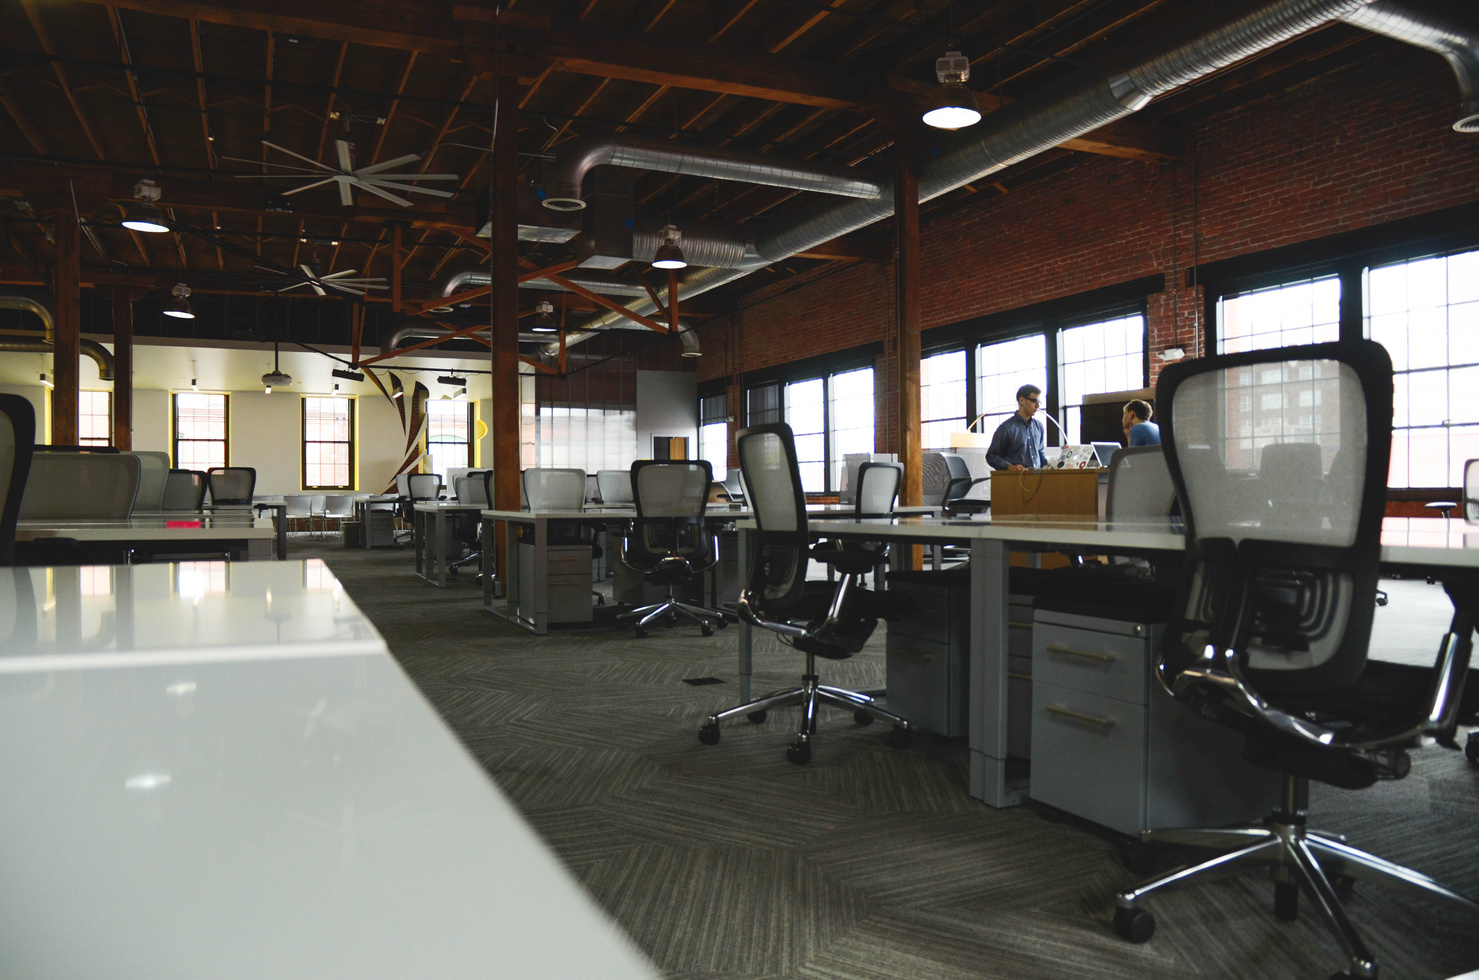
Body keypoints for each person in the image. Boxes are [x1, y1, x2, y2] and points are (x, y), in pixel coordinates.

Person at [986, 384, 1046, 471]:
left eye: (1039, 402)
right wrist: (1009, 466)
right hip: (1015, 479)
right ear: (1022, 400)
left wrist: (1051, 465)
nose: (1037, 406)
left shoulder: (1038, 426)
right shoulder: (1006, 428)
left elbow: (1039, 452)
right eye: (1034, 401)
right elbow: (991, 456)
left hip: (1037, 478)